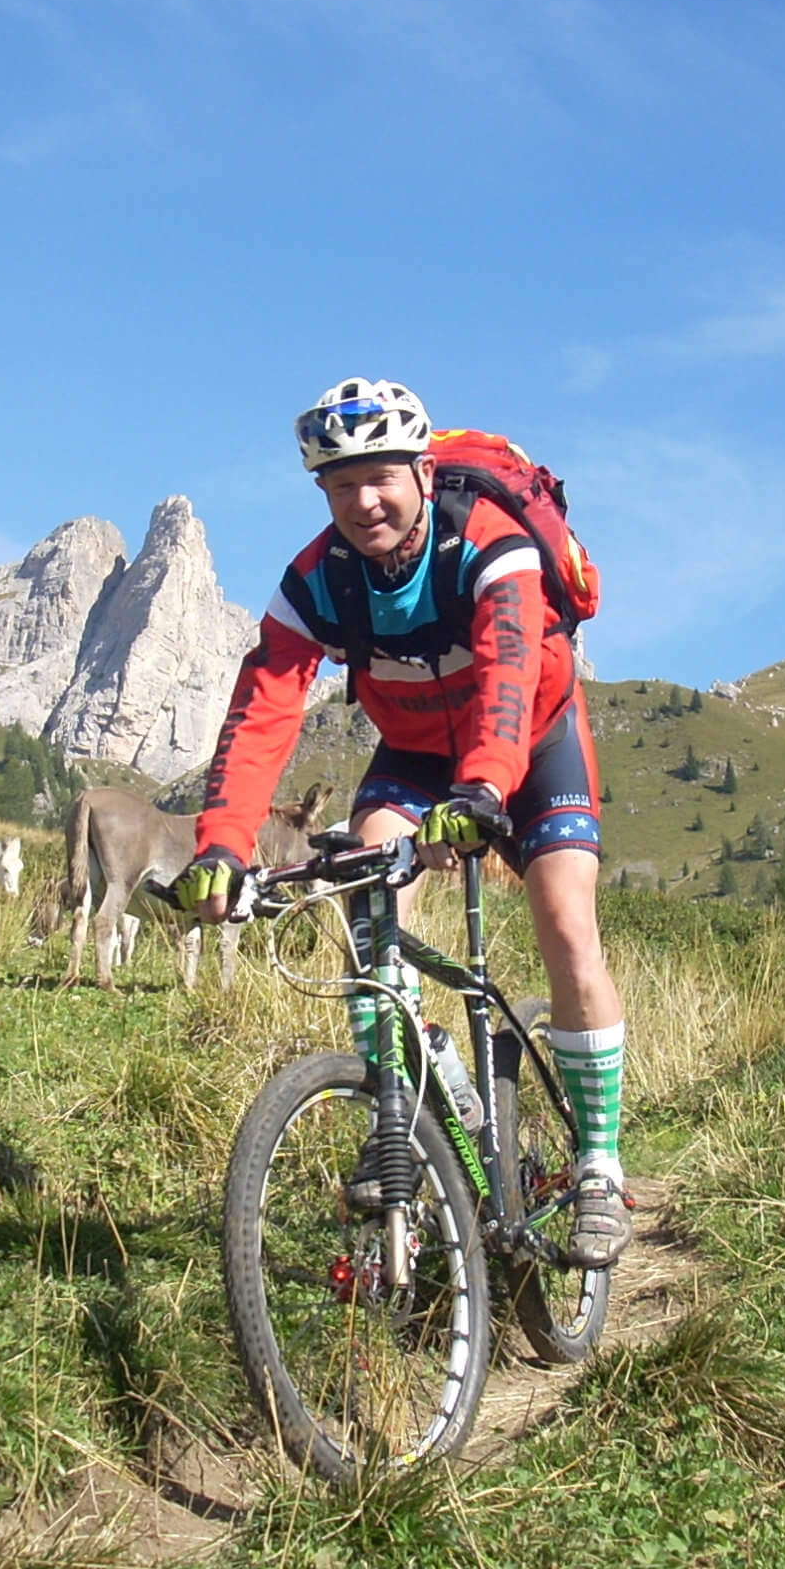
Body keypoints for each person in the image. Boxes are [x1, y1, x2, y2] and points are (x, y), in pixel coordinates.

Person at [172, 377, 631, 1268]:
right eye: (340, 486)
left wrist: (486, 791)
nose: (362, 501)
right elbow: (263, 711)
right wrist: (222, 847)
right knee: (367, 897)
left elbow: (506, 674)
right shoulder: (317, 581)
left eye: (380, 477)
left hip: (532, 742)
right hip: (417, 753)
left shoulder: (487, 545)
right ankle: (405, 1123)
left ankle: (599, 1168)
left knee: (566, 922)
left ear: (423, 471)